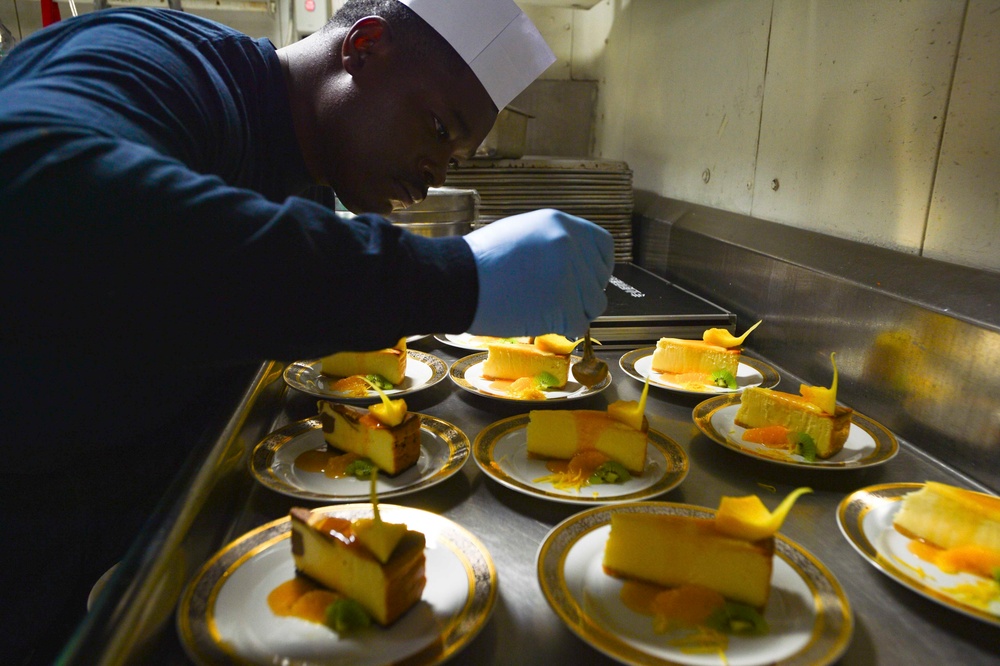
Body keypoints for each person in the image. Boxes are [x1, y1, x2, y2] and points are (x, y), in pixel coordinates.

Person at [0, 0, 614, 662]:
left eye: (456, 156)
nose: (437, 171)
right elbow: (35, 183)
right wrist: (450, 280)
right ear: (365, 46)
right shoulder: (164, 62)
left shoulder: (309, 181)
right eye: (438, 128)